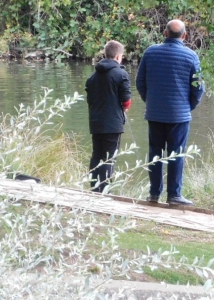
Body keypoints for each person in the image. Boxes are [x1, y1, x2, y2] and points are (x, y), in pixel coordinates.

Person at [136, 19, 204, 205]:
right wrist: (187, 106)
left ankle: (154, 194)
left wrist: (151, 102)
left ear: (165, 33)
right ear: (184, 36)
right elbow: (198, 88)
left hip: (155, 113)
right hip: (179, 115)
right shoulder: (191, 56)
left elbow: (140, 82)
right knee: (177, 154)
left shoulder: (150, 53)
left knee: (155, 153)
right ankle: (174, 196)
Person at [85, 40, 132, 193]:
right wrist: (124, 109)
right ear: (118, 56)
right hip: (113, 124)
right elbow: (126, 101)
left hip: (95, 122)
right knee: (109, 158)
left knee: (96, 156)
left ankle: (94, 189)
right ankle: (105, 191)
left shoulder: (92, 77)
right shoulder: (121, 74)